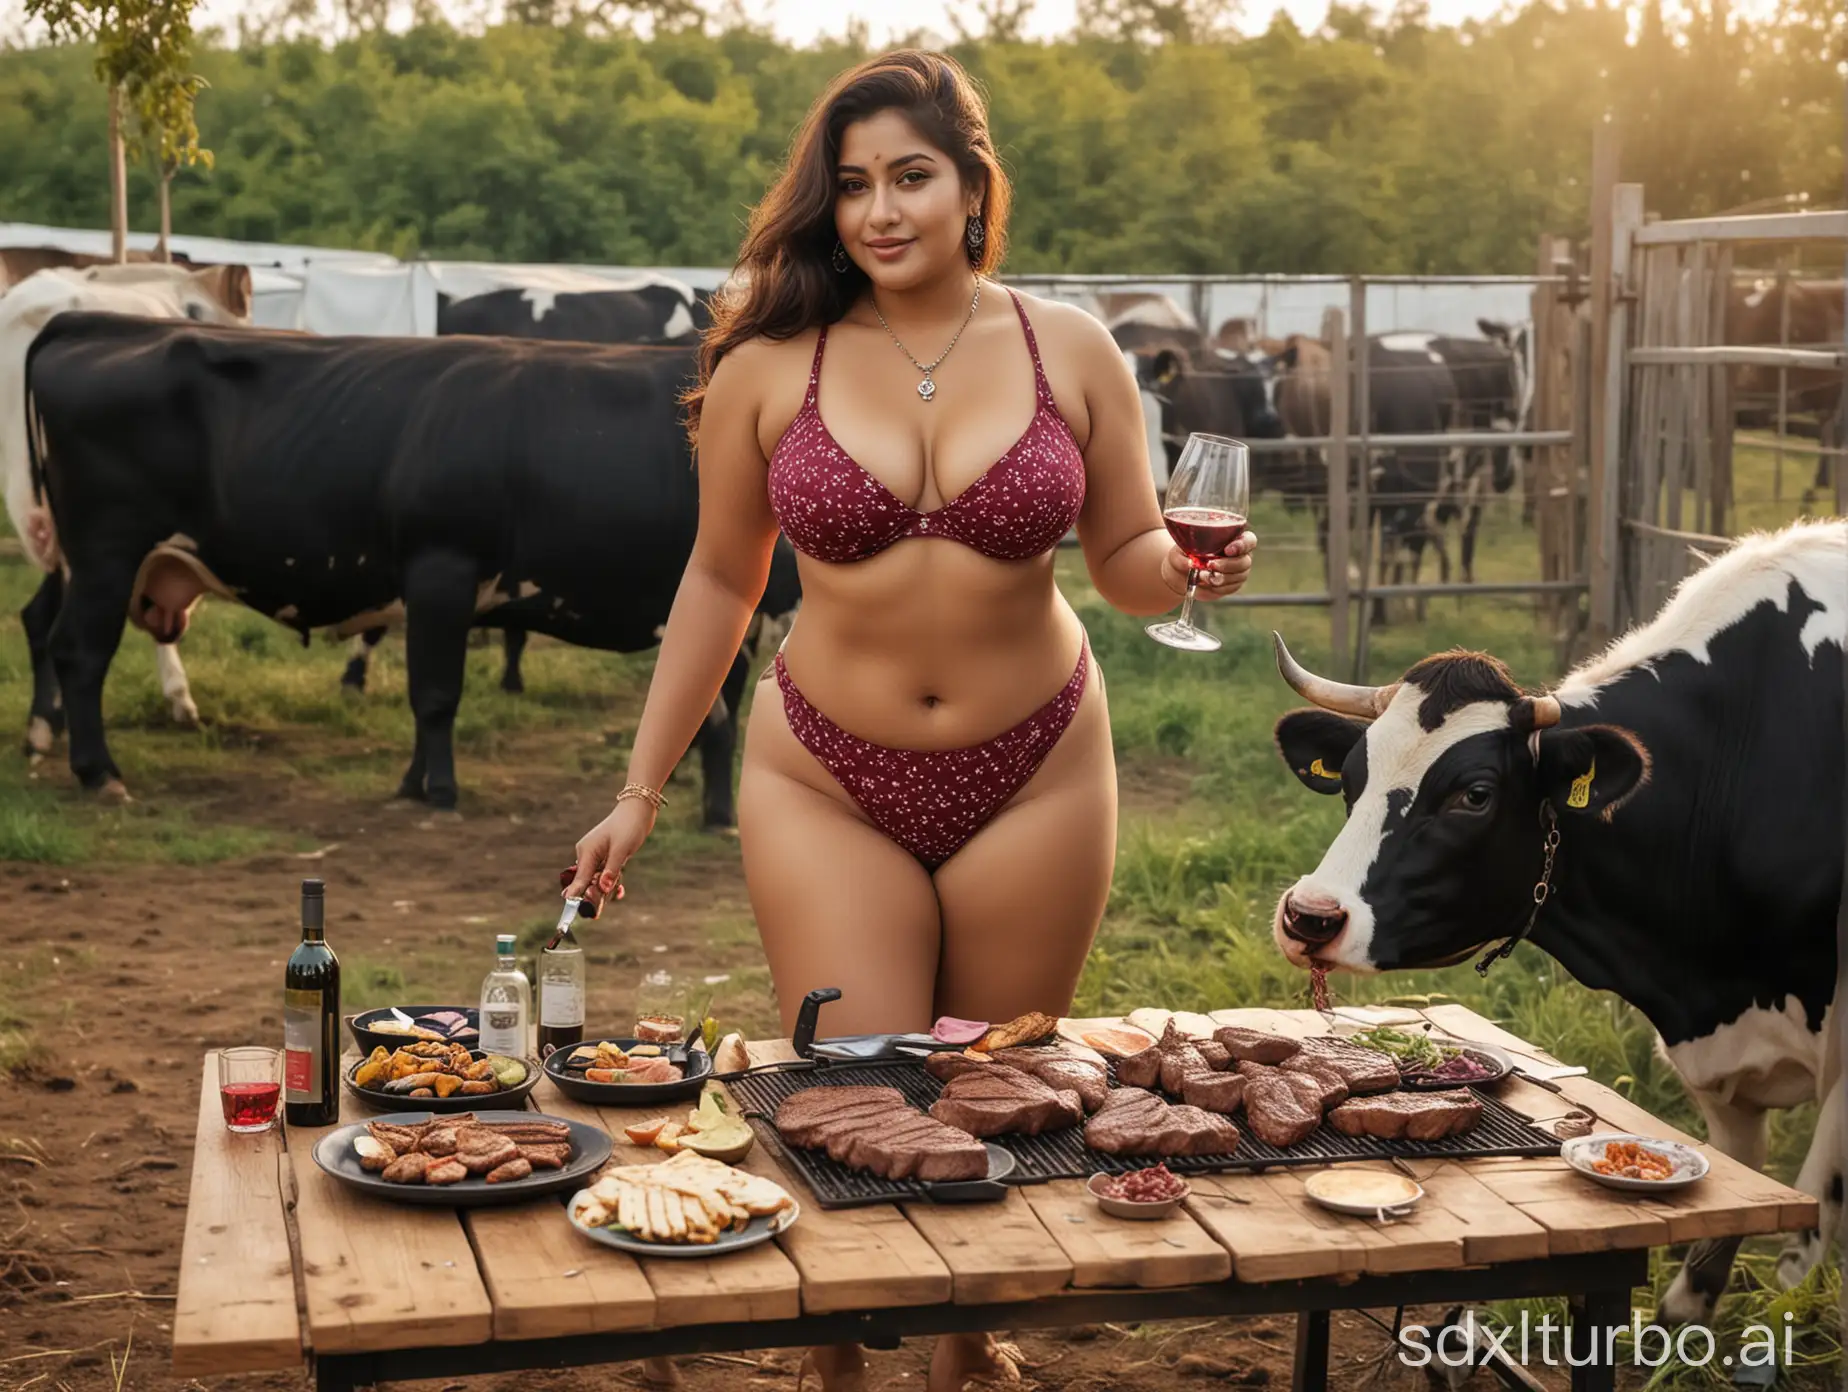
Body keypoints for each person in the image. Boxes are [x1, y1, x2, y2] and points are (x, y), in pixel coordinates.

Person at [565, 48, 1257, 1392]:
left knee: (999, 1092)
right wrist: (639, 791)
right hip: (826, 773)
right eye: (855, 186)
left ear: (971, 188)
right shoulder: (776, 364)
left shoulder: (1072, 349)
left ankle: (963, 1344)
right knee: (852, 1100)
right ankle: (840, 1361)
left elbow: (1121, 556)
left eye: (912, 178)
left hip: (1039, 767)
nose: (882, 211)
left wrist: (1184, 569)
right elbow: (719, 578)